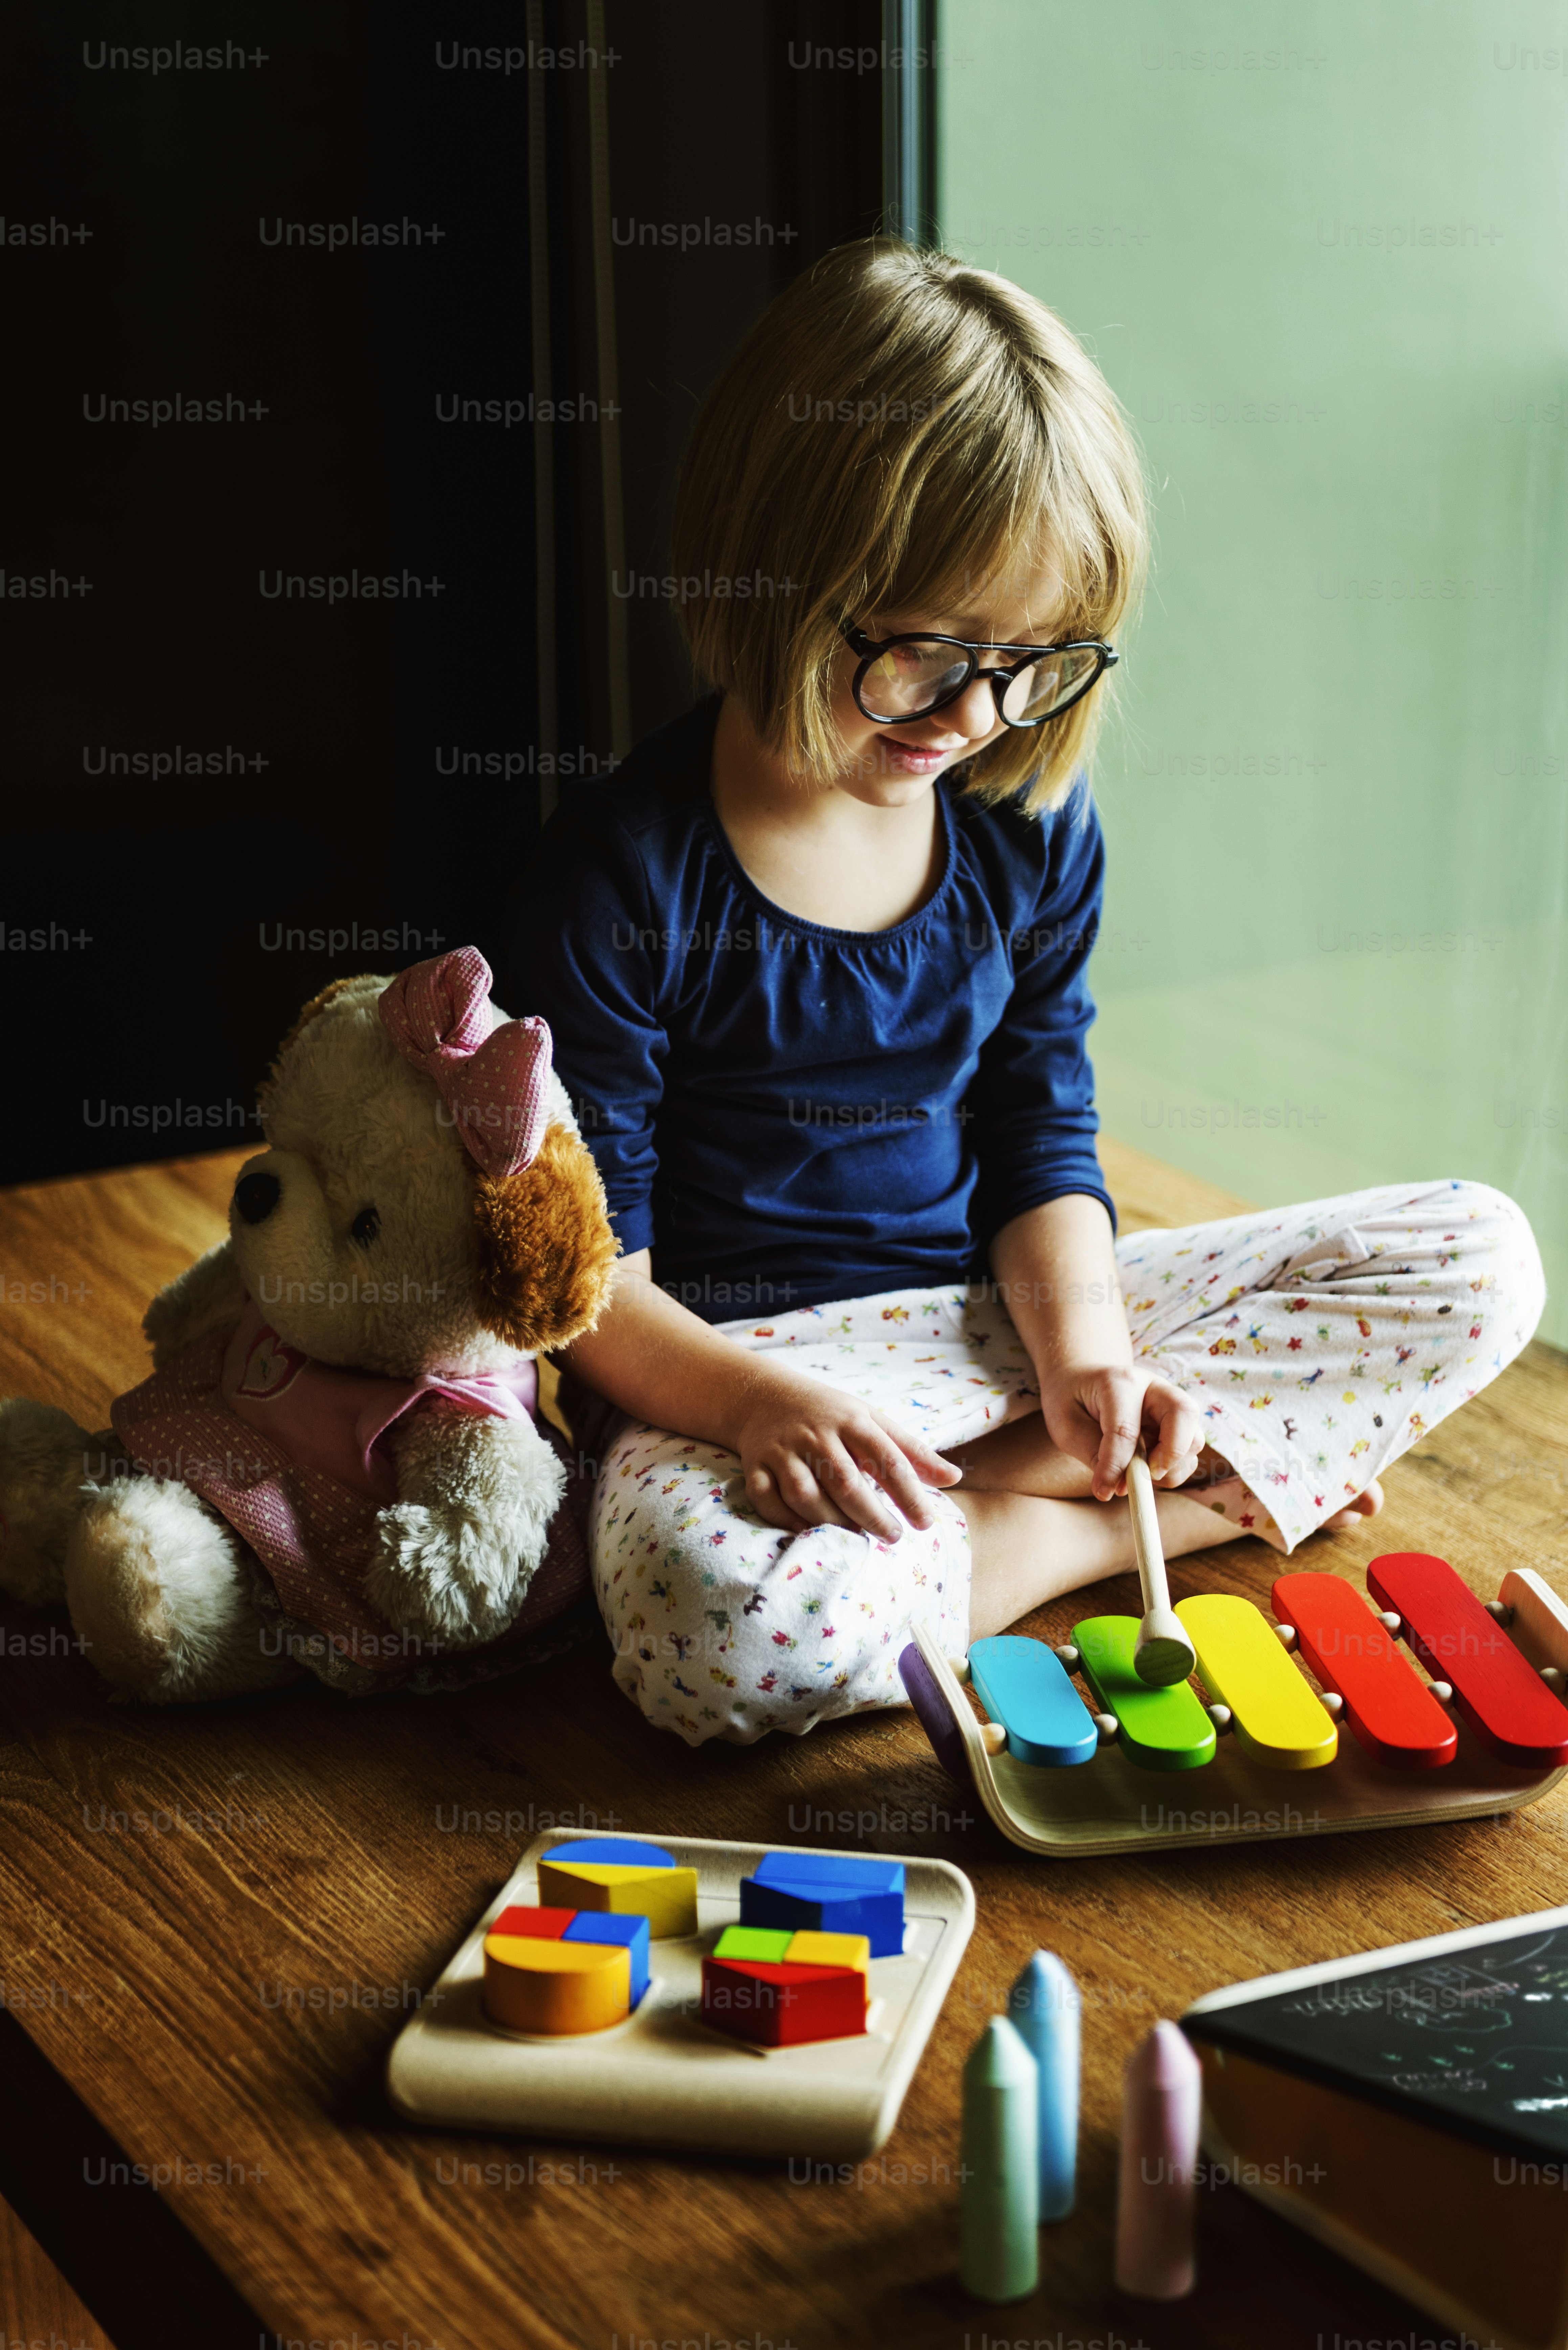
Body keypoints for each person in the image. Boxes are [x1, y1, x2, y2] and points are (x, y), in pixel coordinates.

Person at [510, 239, 1544, 1746]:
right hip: (738, 1380)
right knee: (709, 1631)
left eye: (1033, 663)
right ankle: (1100, 1524)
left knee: (1483, 1255)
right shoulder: (617, 880)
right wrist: (756, 1411)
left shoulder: (1022, 824)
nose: (978, 716)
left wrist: (1090, 1362)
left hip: (980, 1330)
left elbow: (1040, 1123)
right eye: (925, 657)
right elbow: (589, 1281)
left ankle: (1030, 1486)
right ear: (775, 574)